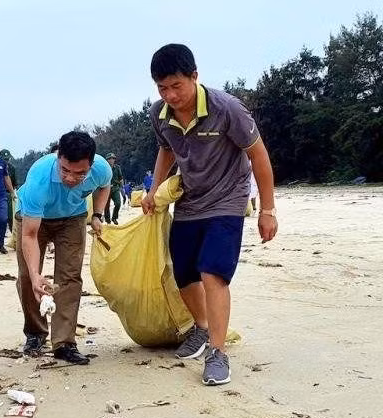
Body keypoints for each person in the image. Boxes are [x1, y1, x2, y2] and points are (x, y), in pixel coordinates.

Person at [142, 44, 278, 386]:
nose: (170, 95)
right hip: (190, 200)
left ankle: (218, 352)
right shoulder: (160, 114)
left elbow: (259, 157)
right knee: (184, 271)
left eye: (177, 86)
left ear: (194, 77)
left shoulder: (227, 108)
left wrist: (268, 209)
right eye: (162, 88)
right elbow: (165, 150)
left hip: (228, 199)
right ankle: (202, 328)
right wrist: (153, 190)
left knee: (212, 270)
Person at [15, 131, 111, 364]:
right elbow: (29, 235)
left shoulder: (101, 169)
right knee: (29, 277)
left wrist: (97, 214)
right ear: (58, 157)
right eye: (65, 170)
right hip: (32, 219)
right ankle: (35, 333)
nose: (70, 178)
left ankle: (64, 342)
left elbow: (104, 187)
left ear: (91, 164)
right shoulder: (39, 178)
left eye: (80, 173)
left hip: (73, 218)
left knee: (69, 277)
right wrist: (37, 275)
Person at [0, 149, 19, 232]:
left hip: (9, 194)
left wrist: (14, 194)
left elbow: (15, 183)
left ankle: (12, 232)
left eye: (7, 159)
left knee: (11, 216)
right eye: (4, 159)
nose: (6, 161)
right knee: (1, 217)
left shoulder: (12, 168)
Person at [103, 153, 125, 224]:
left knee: (118, 203)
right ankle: (107, 220)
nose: (111, 160)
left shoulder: (117, 168)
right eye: (110, 159)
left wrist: (122, 188)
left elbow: (121, 178)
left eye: (113, 158)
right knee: (106, 206)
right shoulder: (104, 168)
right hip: (106, 188)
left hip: (115, 188)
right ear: (107, 160)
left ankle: (114, 218)